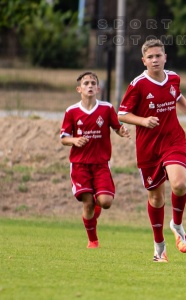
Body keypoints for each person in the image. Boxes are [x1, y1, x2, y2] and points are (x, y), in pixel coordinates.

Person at [118, 39, 186, 263]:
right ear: (144, 61)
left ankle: (177, 223)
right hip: (148, 147)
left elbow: (177, 95)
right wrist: (143, 121)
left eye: (158, 56)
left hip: (173, 140)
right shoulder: (138, 85)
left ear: (165, 57)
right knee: (156, 197)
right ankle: (159, 246)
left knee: (179, 184)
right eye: (150, 57)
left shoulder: (173, 78)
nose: (155, 60)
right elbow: (122, 114)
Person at [60, 71, 130, 249]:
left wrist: (123, 132)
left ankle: (97, 207)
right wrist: (75, 140)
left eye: (93, 83)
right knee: (88, 203)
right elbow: (63, 138)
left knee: (105, 202)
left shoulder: (106, 108)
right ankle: (93, 240)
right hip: (79, 165)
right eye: (86, 83)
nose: (90, 85)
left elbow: (117, 127)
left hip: (101, 164)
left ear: (98, 88)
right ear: (79, 89)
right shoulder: (72, 111)